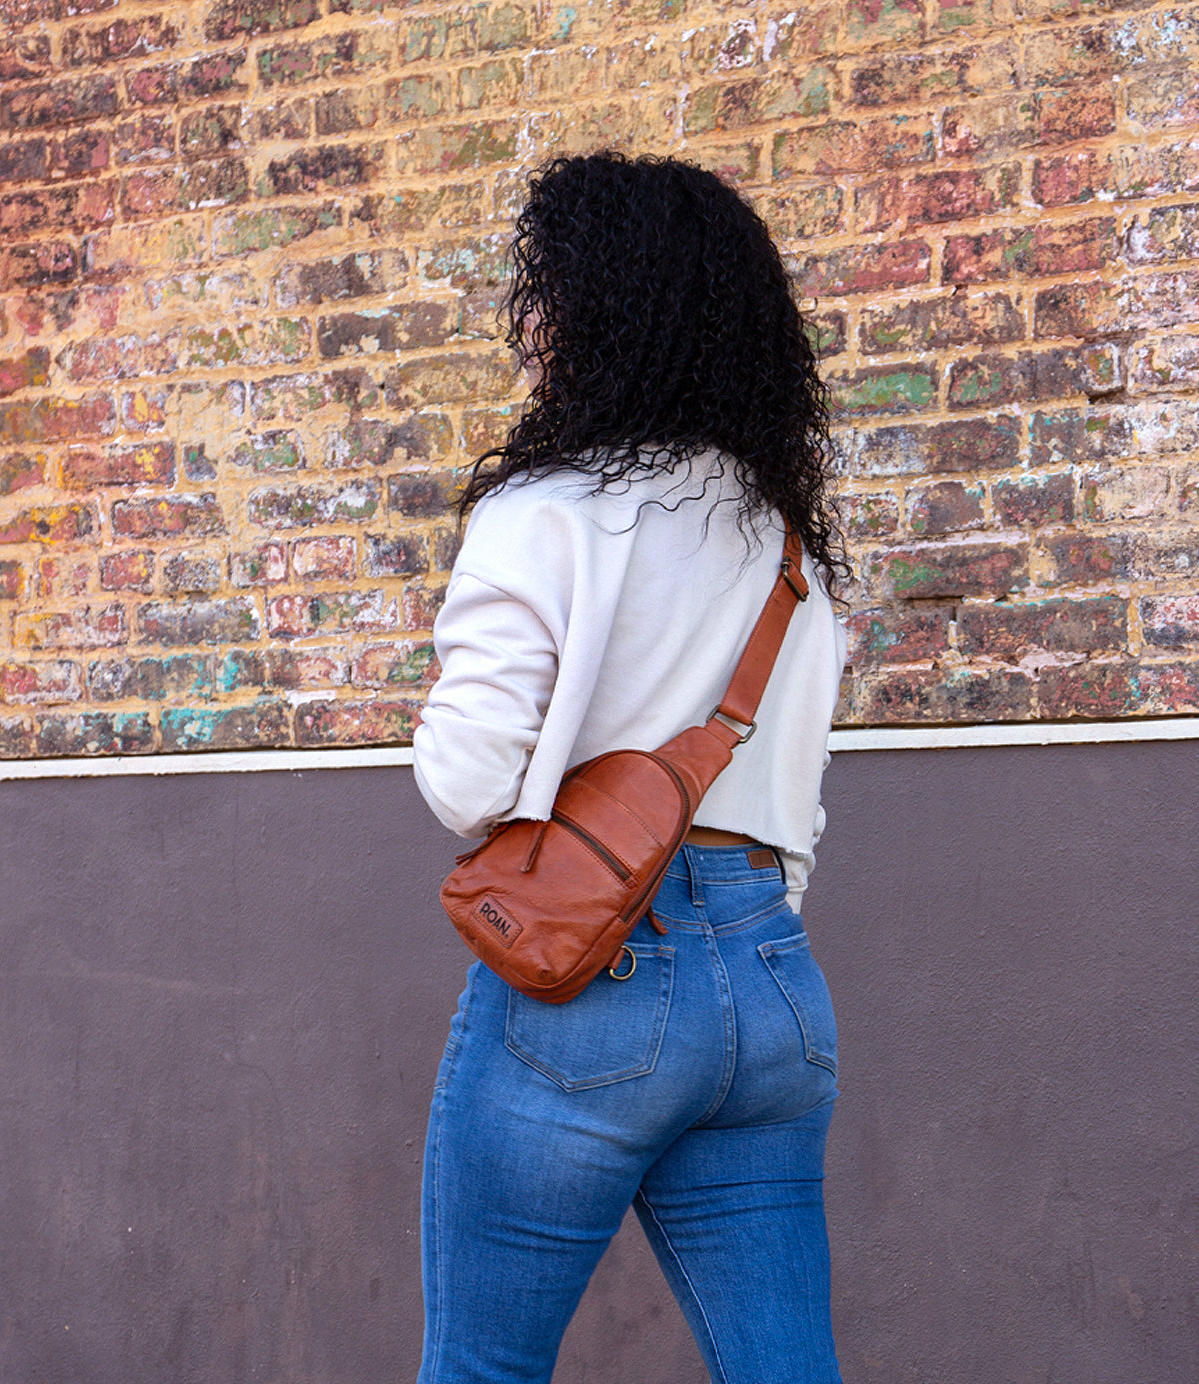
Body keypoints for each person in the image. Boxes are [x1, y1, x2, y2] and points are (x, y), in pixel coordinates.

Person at [411, 152, 849, 1384]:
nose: (533, 322)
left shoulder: (542, 512)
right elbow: (799, 785)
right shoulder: (785, 539)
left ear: (603, 306)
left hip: (590, 979)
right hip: (773, 980)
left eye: (545, 290)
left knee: (482, 1367)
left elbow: (467, 781)